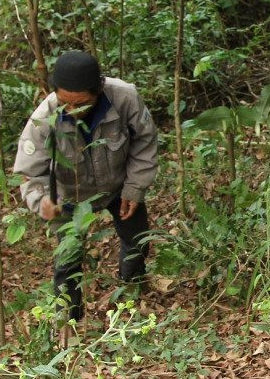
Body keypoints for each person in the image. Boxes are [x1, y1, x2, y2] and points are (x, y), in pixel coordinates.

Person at [13, 51, 160, 323]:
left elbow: (145, 140)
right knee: (68, 259)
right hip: (69, 196)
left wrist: (135, 187)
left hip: (118, 186)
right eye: (65, 103)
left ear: (98, 89)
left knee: (137, 240)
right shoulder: (43, 120)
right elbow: (30, 174)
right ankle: (69, 320)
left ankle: (132, 293)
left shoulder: (124, 97)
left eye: (81, 104)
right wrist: (43, 203)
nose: (72, 110)